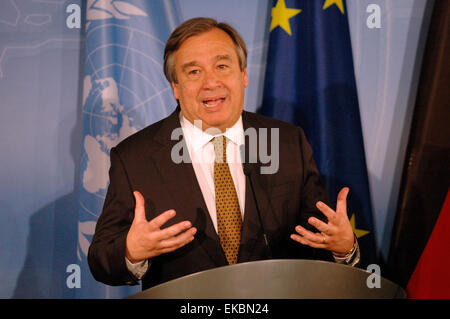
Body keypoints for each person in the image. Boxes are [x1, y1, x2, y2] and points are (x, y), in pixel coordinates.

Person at [88, 17, 360, 290]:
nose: (211, 82)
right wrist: (131, 252)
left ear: (243, 75)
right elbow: (101, 260)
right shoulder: (136, 157)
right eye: (194, 72)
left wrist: (343, 249)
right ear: (175, 87)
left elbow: (318, 242)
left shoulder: (287, 143)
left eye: (222, 66)